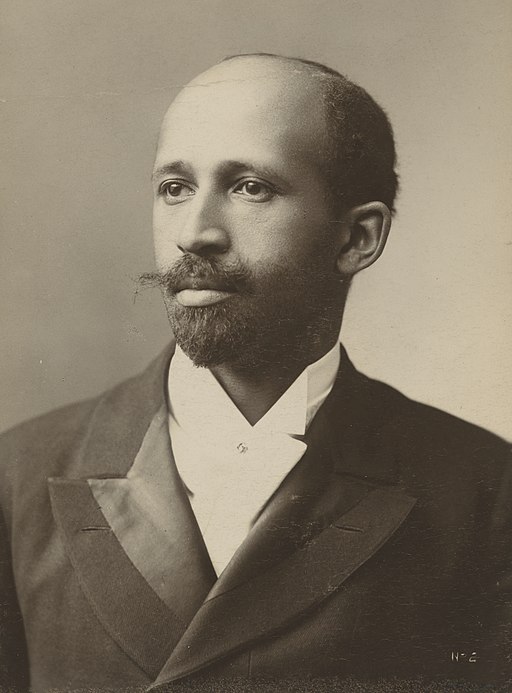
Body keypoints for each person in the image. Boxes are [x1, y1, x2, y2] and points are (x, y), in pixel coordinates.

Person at [0, 53, 510, 693]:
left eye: (250, 188)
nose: (194, 232)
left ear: (357, 239)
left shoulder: (485, 494)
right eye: (174, 188)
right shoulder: (19, 475)